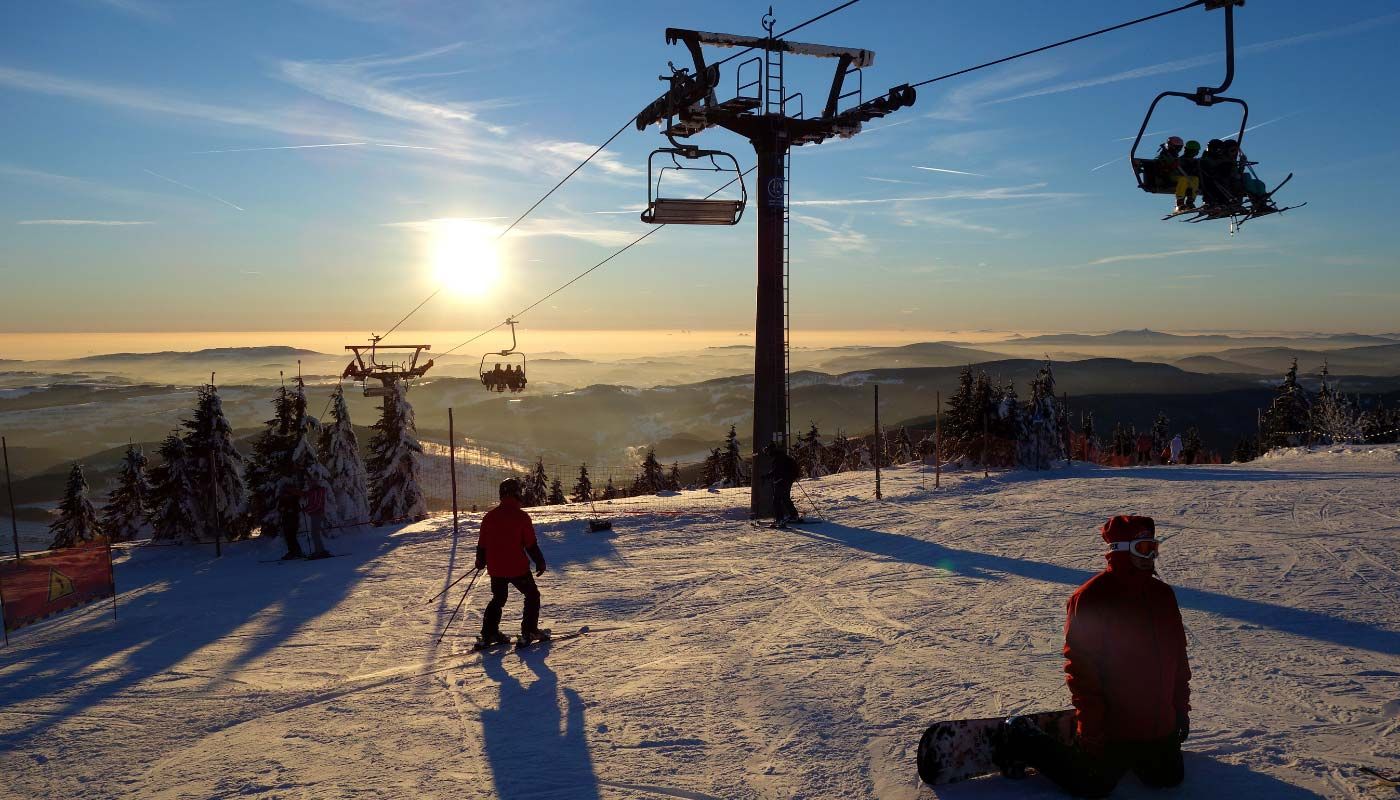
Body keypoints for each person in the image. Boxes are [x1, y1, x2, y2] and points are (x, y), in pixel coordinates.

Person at [995, 515, 1190, 798]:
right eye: (1143, 549)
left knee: (1169, 778)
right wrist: (1093, 729)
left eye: (1153, 548)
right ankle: (1021, 737)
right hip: (1114, 727)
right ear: (1120, 550)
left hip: (1157, 725)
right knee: (1093, 786)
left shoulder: (1162, 596)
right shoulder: (1091, 598)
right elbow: (1082, 672)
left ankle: (1128, 749)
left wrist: (1180, 711)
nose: (1151, 557)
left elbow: (1178, 660)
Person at [476, 478, 549, 646]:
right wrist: (540, 561)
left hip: (495, 568)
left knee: (498, 598)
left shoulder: (489, 517)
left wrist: (480, 560)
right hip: (517, 568)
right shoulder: (522, 517)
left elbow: (482, 544)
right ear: (517, 494)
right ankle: (529, 631)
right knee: (532, 595)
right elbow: (530, 544)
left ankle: (489, 633)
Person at [762, 441, 801, 527]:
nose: (767, 454)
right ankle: (794, 516)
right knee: (785, 498)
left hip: (781, 481)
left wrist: (766, 476)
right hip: (787, 480)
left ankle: (780, 520)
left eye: (767, 451)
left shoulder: (778, 458)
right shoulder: (782, 456)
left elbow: (776, 471)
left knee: (776, 500)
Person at [301, 477, 332, 559]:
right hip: (316, 513)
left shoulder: (317, 491)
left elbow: (316, 504)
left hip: (317, 514)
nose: (308, 484)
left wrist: (306, 509)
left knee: (315, 533)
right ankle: (321, 550)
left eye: (310, 483)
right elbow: (312, 501)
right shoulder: (314, 491)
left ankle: (319, 552)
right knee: (315, 533)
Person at [277, 482, 305, 560]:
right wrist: (284, 510)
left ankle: (294, 552)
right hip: (287, 519)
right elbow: (279, 508)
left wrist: (290, 510)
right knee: (289, 536)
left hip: (293, 519)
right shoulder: (283, 499)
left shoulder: (294, 498)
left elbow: (297, 509)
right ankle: (295, 552)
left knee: (291, 536)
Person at [1174, 140, 1201, 212]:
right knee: (1184, 179)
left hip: (1188, 178)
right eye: (1196, 151)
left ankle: (1190, 201)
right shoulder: (1181, 159)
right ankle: (1179, 202)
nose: (1197, 153)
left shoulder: (1194, 161)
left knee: (1195, 179)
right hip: (1179, 177)